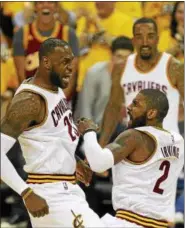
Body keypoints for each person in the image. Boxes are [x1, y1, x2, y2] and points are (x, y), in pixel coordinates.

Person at [1, 38, 105, 228]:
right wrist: (26, 192)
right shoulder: (29, 101)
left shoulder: (55, 90)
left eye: (71, 62)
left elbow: (53, 136)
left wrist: (74, 161)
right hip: (50, 195)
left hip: (65, 189)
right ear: (46, 62)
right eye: (64, 62)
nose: (70, 68)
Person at [77, 89, 184, 227]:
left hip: (131, 221)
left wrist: (88, 132)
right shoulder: (178, 140)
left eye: (135, 104)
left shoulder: (134, 136)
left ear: (151, 113)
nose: (128, 107)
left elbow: (98, 163)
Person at [99, 17, 184, 148]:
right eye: (139, 37)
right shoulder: (121, 68)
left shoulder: (174, 67)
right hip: (133, 145)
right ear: (133, 40)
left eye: (150, 36)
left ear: (157, 38)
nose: (145, 42)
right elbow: (113, 107)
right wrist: (101, 146)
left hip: (167, 146)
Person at [13, 1, 79, 100]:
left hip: (61, 97)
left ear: (57, 7)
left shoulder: (69, 34)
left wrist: (59, 101)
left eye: (50, 2)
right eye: (40, 2)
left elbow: (71, 75)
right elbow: (21, 77)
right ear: (35, 7)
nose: (45, 5)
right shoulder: (22, 33)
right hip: (31, 97)